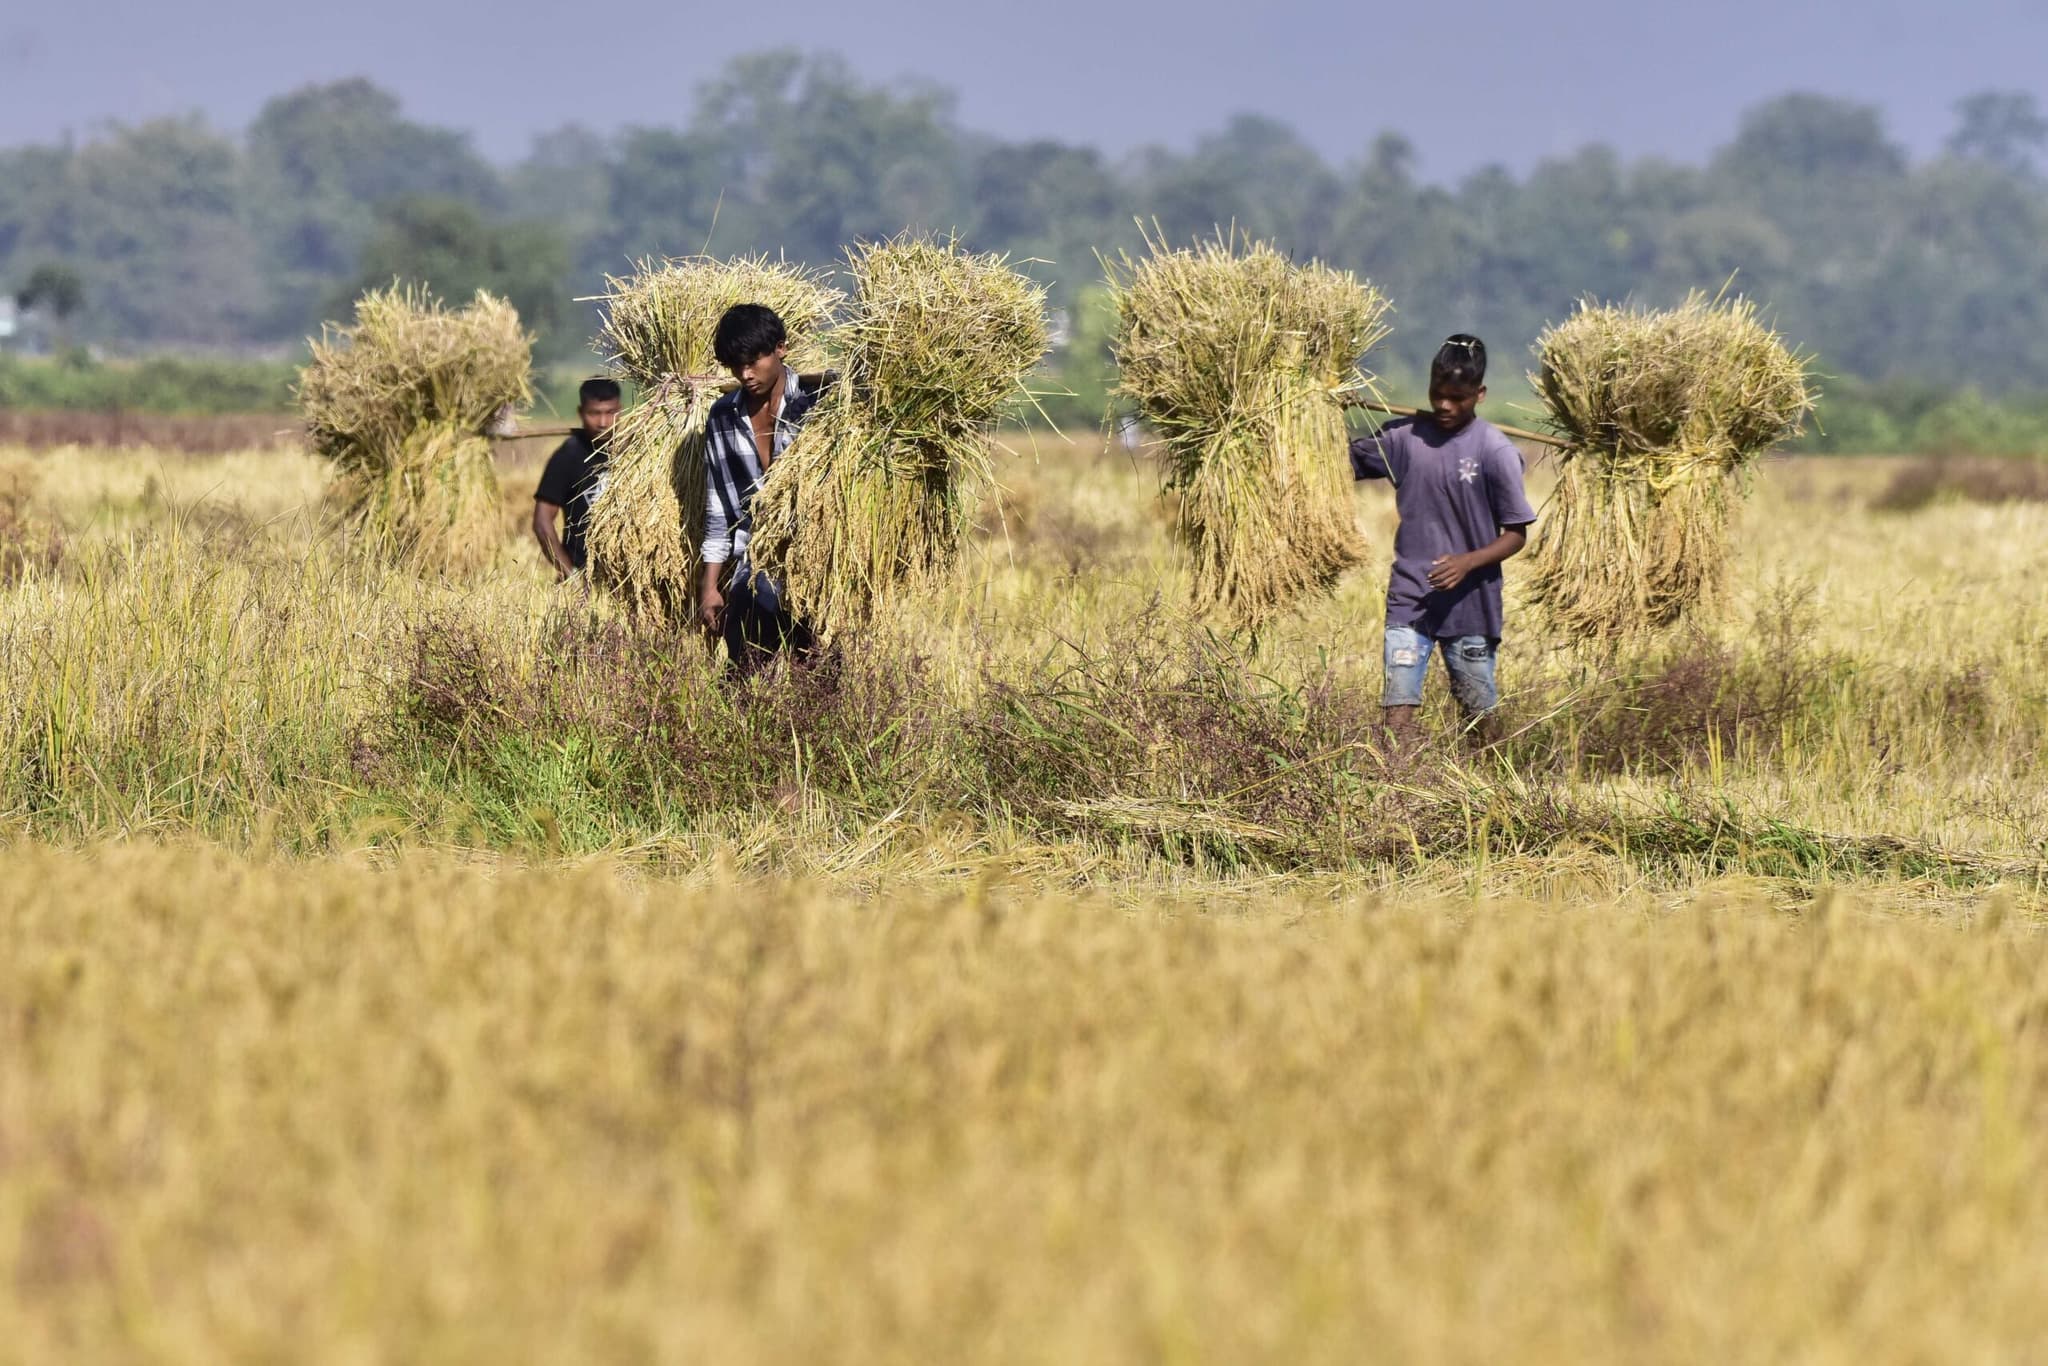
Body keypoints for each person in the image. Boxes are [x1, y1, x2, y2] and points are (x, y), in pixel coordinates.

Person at [1349, 335, 1537, 746]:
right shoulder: (1402, 439)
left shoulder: (1495, 450)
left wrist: (1467, 563)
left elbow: (1516, 535)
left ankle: (1493, 788)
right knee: (1396, 714)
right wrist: (1320, 413)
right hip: (1410, 598)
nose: (1444, 406)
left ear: (1480, 394)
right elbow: (1336, 463)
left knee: (1478, 717)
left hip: (1471, 604)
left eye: (1458, 398)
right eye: (1437, 395)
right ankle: (1399, 795)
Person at [697, 304, 829, 675]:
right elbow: (719, 508)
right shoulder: (722, 417)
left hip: (815, 568)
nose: (746, 374)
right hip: (753, 569)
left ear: (781, 348)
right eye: (736, 366)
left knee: (821, 682)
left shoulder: (819, 407)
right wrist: (710, 586)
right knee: (743, 680)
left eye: (754, 360)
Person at [532, 378, 623, 580]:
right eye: (594, 413)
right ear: (581, 412)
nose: (603, 423)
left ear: (621, 410)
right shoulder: (568, 456)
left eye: (610, 413)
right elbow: (542, 521)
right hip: (584, 575)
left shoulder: (635, 453)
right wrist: (571, 575)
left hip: (631, 577)